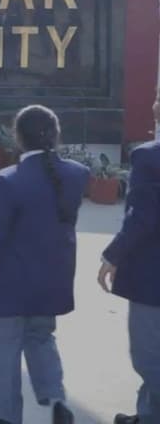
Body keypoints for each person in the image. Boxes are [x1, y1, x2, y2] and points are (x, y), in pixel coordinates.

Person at [0, 105, 86, 424]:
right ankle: (56, 399)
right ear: (56, 135)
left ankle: (2, 416)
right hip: (52, 280)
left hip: (8, 285)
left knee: (1, 353)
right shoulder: (76, 174)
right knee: (41, 338)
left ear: (18, 137)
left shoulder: (7, 181)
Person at [98, 95, 160, 424]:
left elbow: (143, 217)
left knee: (149, 358)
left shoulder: (149, 157)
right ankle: (148, 415)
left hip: (153, 276)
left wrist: (113, 254)